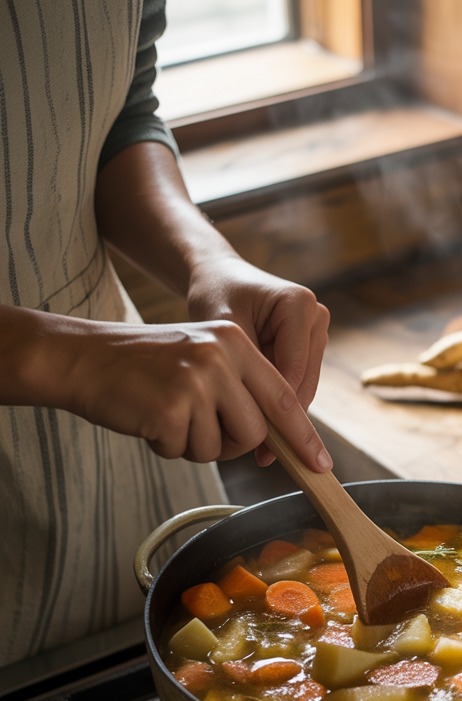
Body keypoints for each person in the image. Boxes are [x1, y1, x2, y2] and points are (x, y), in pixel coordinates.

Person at [0, 0, 334, 666]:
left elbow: (115, 114)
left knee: (176, 667)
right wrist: (65, 358)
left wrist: (208, 262)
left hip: (116, 431)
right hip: (105, 367)